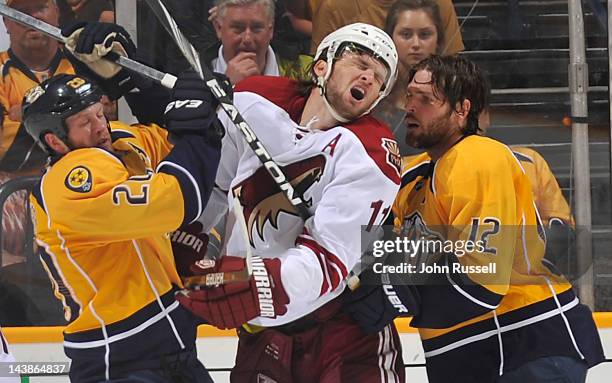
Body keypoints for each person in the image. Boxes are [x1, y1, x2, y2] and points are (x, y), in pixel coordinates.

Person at [347, 55, 605, 383]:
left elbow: (481, 280)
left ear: (461, 110)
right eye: (409, 96)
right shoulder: (410, 176)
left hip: (524, 348)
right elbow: (376, 261)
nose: (410, 107)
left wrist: (400, 286)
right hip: (470, 358)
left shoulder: (478, 157)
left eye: (425, 99)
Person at [176, 23, 407, 382]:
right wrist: (188, 241)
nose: (368, 75)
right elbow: (214, 186)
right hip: (262, 334)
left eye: (378, 77)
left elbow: (329, 259)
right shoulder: (254, 100)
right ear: (322, 65)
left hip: (341, 334)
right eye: (360, 61)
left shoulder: (371, 151)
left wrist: (262, 285)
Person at [24, 23, 224, 380]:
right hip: (119, 359)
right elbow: (179, 199)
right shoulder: (68, 184)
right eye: (85, 122)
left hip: (170, 341)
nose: (100, 126)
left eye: (100, 113)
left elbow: (171, 131)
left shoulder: (114, 142)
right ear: (55, 142)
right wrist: (201, 127)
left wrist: (132, 73)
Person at [374, 0, 448, 154]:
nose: (415, 44)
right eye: (406, 34)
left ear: (438, 40)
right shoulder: (372, 96)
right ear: (390, 38)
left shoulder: (456, 97)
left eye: (424, 34)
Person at [206, 0, 312, 84]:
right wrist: (227, 88)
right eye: (238, 28)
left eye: (257, 28)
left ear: (271, 29)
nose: (247, 38)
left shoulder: (308, 72)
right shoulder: (197, 75)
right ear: (219, 28)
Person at [310, 0, 463, 57]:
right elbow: (319, 77)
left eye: (424, 34)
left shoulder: (438, 3)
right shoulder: (335, 7)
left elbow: (452, 72)